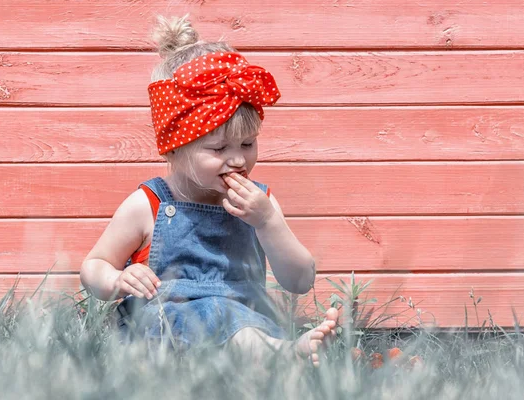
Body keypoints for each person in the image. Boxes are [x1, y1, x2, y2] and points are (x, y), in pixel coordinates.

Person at [80, 14, 337, 367]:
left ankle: (270, 356)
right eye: (218, 149)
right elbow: (93, 266)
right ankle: (283, 356)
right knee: (214, 312)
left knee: (236, 317)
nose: (237, 160)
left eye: (248, 144)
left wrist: (267, 223)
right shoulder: (149, 204)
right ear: (174, 148)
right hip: (160, 329)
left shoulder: (259, 202)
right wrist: (117, 278)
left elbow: (300, 280)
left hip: (244, 321)